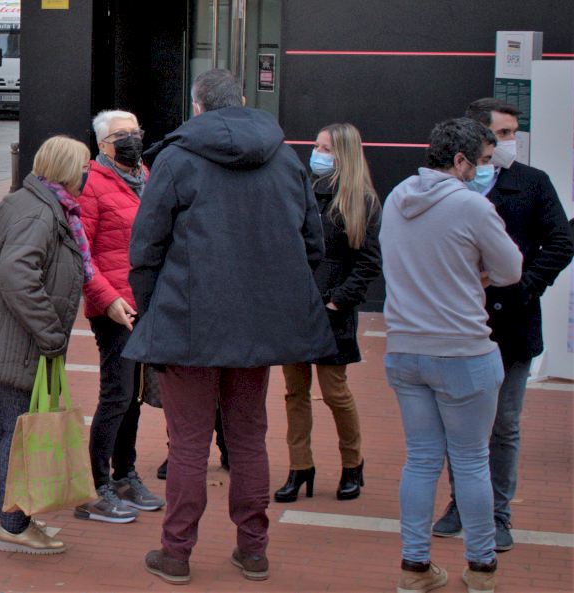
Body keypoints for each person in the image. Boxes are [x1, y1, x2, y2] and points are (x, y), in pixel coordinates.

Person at [128, 69, 335, 585]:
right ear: (241, 101)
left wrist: (153, 311)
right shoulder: (284, 159)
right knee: (248, 439)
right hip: (257, 325)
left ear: (197, 107)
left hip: (187, 322)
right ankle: (253, 550)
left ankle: (176, 553)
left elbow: (146, 247)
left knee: (188, 444)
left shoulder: (176, 158)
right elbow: (313, 244)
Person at [381, 117, 522, 593]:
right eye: (483, 161)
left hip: (405, 349)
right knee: (471, 461)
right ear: (460, 161)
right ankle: (481, 568)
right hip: (462, 350)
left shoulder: (398, 197)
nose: (487, 170)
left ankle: (414, 566)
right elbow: (510, 270)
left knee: (421, 460)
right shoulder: (472, 206)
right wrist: (475, 270)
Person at [430, 100, 574, 551]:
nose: (511, 141)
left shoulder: (532, 183)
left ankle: (497, 514)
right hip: (458, 324)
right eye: (504, 133)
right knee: (459, 423)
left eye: (514, 132)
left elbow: (561, 242)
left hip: (513, 327)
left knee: (504, 425)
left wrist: (525, 287)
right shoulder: (449, 187)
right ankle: (460, 503)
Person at [0, 135, 91, 555]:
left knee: (2, 424)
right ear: (66, 170)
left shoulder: (27, 200)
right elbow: (17, 275)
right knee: (15, 431)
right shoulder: (42, 214)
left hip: (7, 336)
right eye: (83, 167)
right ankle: (14, 525)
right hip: (21, 340)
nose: (87, 174)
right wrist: (50, 332)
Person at [275, 123, 382, 504]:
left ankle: (352, 464)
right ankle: (299, 466)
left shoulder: (361, 200)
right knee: (295, 392)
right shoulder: (301, 191)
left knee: (335, 392)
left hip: (332, 310)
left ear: (344, 155)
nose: (316, 154)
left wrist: (338, 301)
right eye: (317, 146)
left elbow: (368, 262)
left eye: (326, 149)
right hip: (296, 307)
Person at [73, 109, 159, 525]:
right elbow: (82, 255)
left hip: (145, 304)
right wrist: (107, 300)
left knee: (135, 396)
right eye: (122, 134)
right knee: (117, 394)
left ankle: (126, 474)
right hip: (113, 308)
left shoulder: (146, 176)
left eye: (135, 131)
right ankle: (99, 485)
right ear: (103, 145)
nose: (132, 139)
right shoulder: (90, 184)